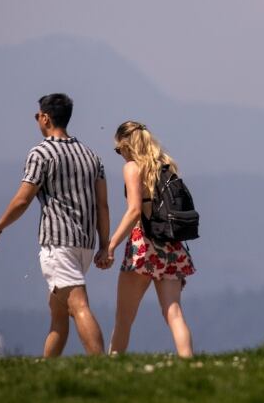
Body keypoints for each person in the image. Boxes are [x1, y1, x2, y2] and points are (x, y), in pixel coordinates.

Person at [0, 93, 109, 357]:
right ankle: (47, 368)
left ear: (45, 117)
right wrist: (105, 243)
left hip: (58, 242)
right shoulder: (91, 155)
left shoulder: (41, 153)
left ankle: (102, 366)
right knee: (58, 314)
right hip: (85, 244)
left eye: (37, 115)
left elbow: (23, 199)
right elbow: (103, 205)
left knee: (78, 306)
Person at [98, 121, 196, 357]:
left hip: (143, 247)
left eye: (118, 150)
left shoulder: (133, 168)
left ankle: (113, 366)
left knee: (124, 318)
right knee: (174, 313)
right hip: (171, 246)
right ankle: (188, 362)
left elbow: (134, 211)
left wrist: (109, 246)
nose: (119, 155)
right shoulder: (166, 165)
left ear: (126, 145)